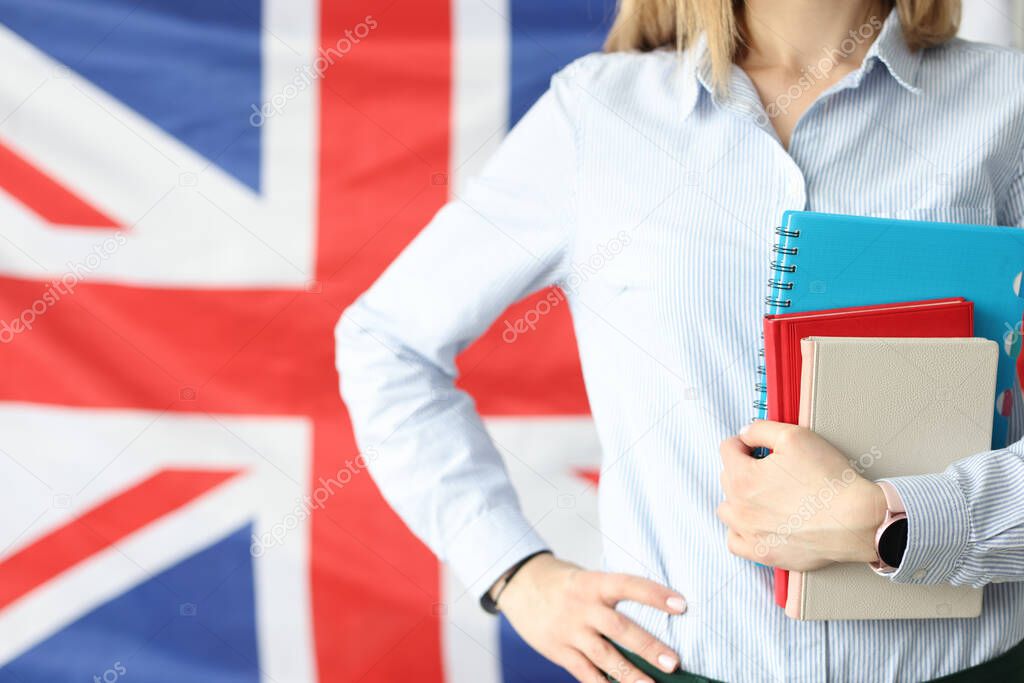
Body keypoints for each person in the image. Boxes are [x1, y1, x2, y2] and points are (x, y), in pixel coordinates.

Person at [336, 1, 1024, 680]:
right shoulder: (597, 115)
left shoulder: (1007, 104)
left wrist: (893, 520)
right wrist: (513, 569)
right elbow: (386, 343)